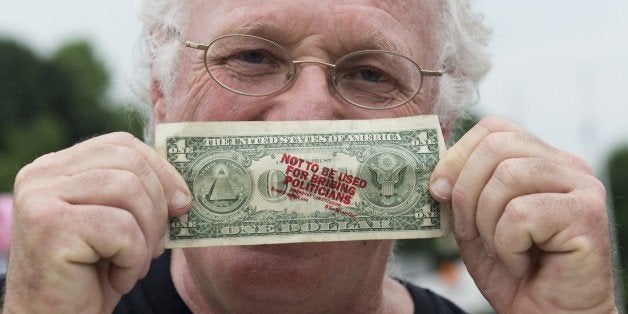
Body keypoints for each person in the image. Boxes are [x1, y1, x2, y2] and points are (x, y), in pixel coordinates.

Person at [0, 0, 618, 313]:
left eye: (372, 74)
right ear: (163, 96)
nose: (305, 117)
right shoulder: (44, 300)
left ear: (441, 128)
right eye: (252, 58)